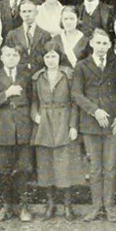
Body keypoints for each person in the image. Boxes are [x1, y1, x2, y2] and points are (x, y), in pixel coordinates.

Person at [73, 28, 116, 222]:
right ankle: (96, 207)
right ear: (92, 43)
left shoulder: (115, 65)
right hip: (90, 123)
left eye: (105, 43)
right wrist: (95, 110)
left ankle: (109, 207)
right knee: (95, 168)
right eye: (98, 43)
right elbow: (77, 94)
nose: (102, 47)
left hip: (112, 124)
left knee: (110, 167)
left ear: (110, 45)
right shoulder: (81, 66)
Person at [29, 43, 84, 220]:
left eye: (53, 56)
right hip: (44, 122)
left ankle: (68, 206)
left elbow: (74, 102)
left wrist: (73, 125)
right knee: (46, 165)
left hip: (63, 120)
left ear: (59, 57)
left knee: (64, 165)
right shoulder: (37, 77)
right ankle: (50, 205)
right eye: (47, 57)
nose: (50, 60)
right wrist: (35, 115)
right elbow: (33, 100)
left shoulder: (68, 75)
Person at [0, 43, 33, 222]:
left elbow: (33, 100)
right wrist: (6, 94)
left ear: (19, 58)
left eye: (14, 55)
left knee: (22, 169)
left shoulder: (26, 77)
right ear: (2, 58)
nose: (11, 58)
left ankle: (24, 207)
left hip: (22, 128)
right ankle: (5, 207)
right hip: (2, 129)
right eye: (7, 55)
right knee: (3, 171)